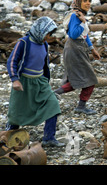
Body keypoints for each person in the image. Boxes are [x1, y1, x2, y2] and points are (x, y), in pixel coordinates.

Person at [6, 16, 64, 147]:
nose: (48, 37)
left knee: (52, 104)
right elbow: (12, 61)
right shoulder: (24, 42)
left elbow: (44, 64)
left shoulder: (44, 44)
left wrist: (46, 80)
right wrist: (15, 79)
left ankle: (49, 137)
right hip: (24, 82)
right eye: (47, 33)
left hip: (40, 82)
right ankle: (9, 135)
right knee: (17, 111)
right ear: (40, 30)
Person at [54, 0, 100, 115]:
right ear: (78, 1)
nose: (88, 3)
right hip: (74, 49)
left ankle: (54, 95)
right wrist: (83, 22)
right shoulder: (76, 16)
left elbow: (85, 35)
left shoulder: (79, 14)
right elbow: (74, 34)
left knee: (79, 79)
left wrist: (92, 49)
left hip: (78, 48)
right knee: (88, 79)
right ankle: (78, 105)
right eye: (85, 1)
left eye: (89, 1)